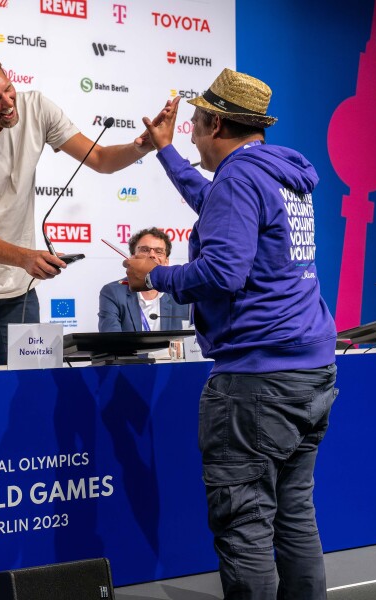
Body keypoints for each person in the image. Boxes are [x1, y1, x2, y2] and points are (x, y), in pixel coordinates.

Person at [123, 69, 338, 599]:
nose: (192, 135)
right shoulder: (277, 173)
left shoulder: (240, 179)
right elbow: (216, 204)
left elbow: (222, 272)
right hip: (310, 372)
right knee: (294, 517)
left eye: (196, 125)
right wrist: (165, 152)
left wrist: (153, 276)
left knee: (244, 528)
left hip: (256, 383)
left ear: (217, 122)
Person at [0, 52, 156, 365]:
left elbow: (101, 159)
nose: (9, 102)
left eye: (9, 89)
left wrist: (142, 146)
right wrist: (26, 256)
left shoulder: (36, 108)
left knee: (30, 382)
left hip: (20, 286)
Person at [97, 228, 189, 332]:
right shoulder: (112, 292)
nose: (152, 255)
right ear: (132, 258)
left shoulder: (181, 294)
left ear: (166, 261)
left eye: (159, 251)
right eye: (145, 250)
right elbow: (112, 341)